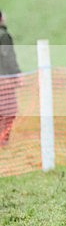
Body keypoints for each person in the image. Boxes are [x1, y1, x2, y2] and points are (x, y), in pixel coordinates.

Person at [0, 11, 21, 145]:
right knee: (9, 111)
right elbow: (8, 57)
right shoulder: (3, 36)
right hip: (4, 80)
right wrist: (17, 74)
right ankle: (3, 141)